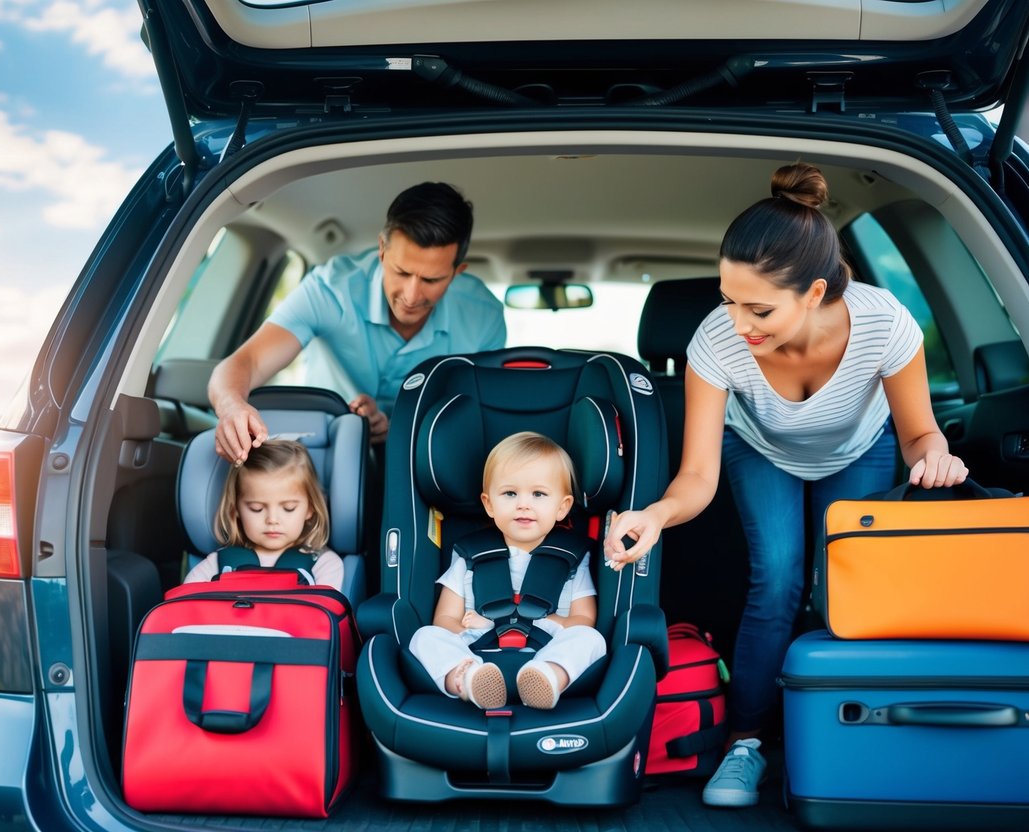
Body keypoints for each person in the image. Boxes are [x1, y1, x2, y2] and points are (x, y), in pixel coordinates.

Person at [604, 162, 969, 807]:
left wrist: (934, 457)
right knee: (777, 577)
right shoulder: (717, 343)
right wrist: (657, 516)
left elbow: (920, 435)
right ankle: (745, 743)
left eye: (760, 308)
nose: (740, 323)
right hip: (762, 448)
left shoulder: (885, 324)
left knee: (843, 589)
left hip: (861, 447)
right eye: (727, 300)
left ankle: (841, 733)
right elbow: (696, 476)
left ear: (815, 290)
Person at [208, 181, 507, 464]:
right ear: (381, 249)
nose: (412, 295)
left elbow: (474, 418)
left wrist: (397, 427)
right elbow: (245, 363)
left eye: (431, 279)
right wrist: (232, 406)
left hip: (425, 460)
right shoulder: (330, 290)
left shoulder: (484, 318)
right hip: (324, 456)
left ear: (457, 272)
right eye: (401, 272)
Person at [408, 432, 606, 710]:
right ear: (489, 504)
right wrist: (471, 625)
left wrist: (550, 622)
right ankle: (468, 678)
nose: (523, 504)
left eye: (538, 494)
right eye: (510, 493)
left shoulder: (573, 558)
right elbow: (444, 620)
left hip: (546, 648)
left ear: (562, 507)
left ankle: (549, 676)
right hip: (479, 651)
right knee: (424, 636)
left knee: (591, 639)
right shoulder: (468, 554)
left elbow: (584, 619)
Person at [183, 439, 344, 594]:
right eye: (257, 509)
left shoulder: (324, 565)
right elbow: (182, 606)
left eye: (288, 508)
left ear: (310, 509)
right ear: (235, 510)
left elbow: (325, 616)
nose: (272, 520)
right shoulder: (218, 563)